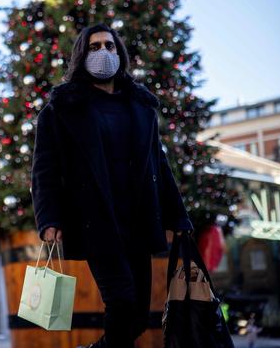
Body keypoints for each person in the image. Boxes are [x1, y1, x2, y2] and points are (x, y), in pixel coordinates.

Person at [31, 23, 194, 348]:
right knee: (121, 300)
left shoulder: (140, 107)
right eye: (94, 47)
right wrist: (49, 219)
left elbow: (159, 165)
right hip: (96, 221)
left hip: (138, 220)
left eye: (109, 45)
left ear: (119, 53)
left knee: (136, 316)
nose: (103, 52)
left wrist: (179, 218)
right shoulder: (62, 109)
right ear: (81, 55)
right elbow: (44, 169)